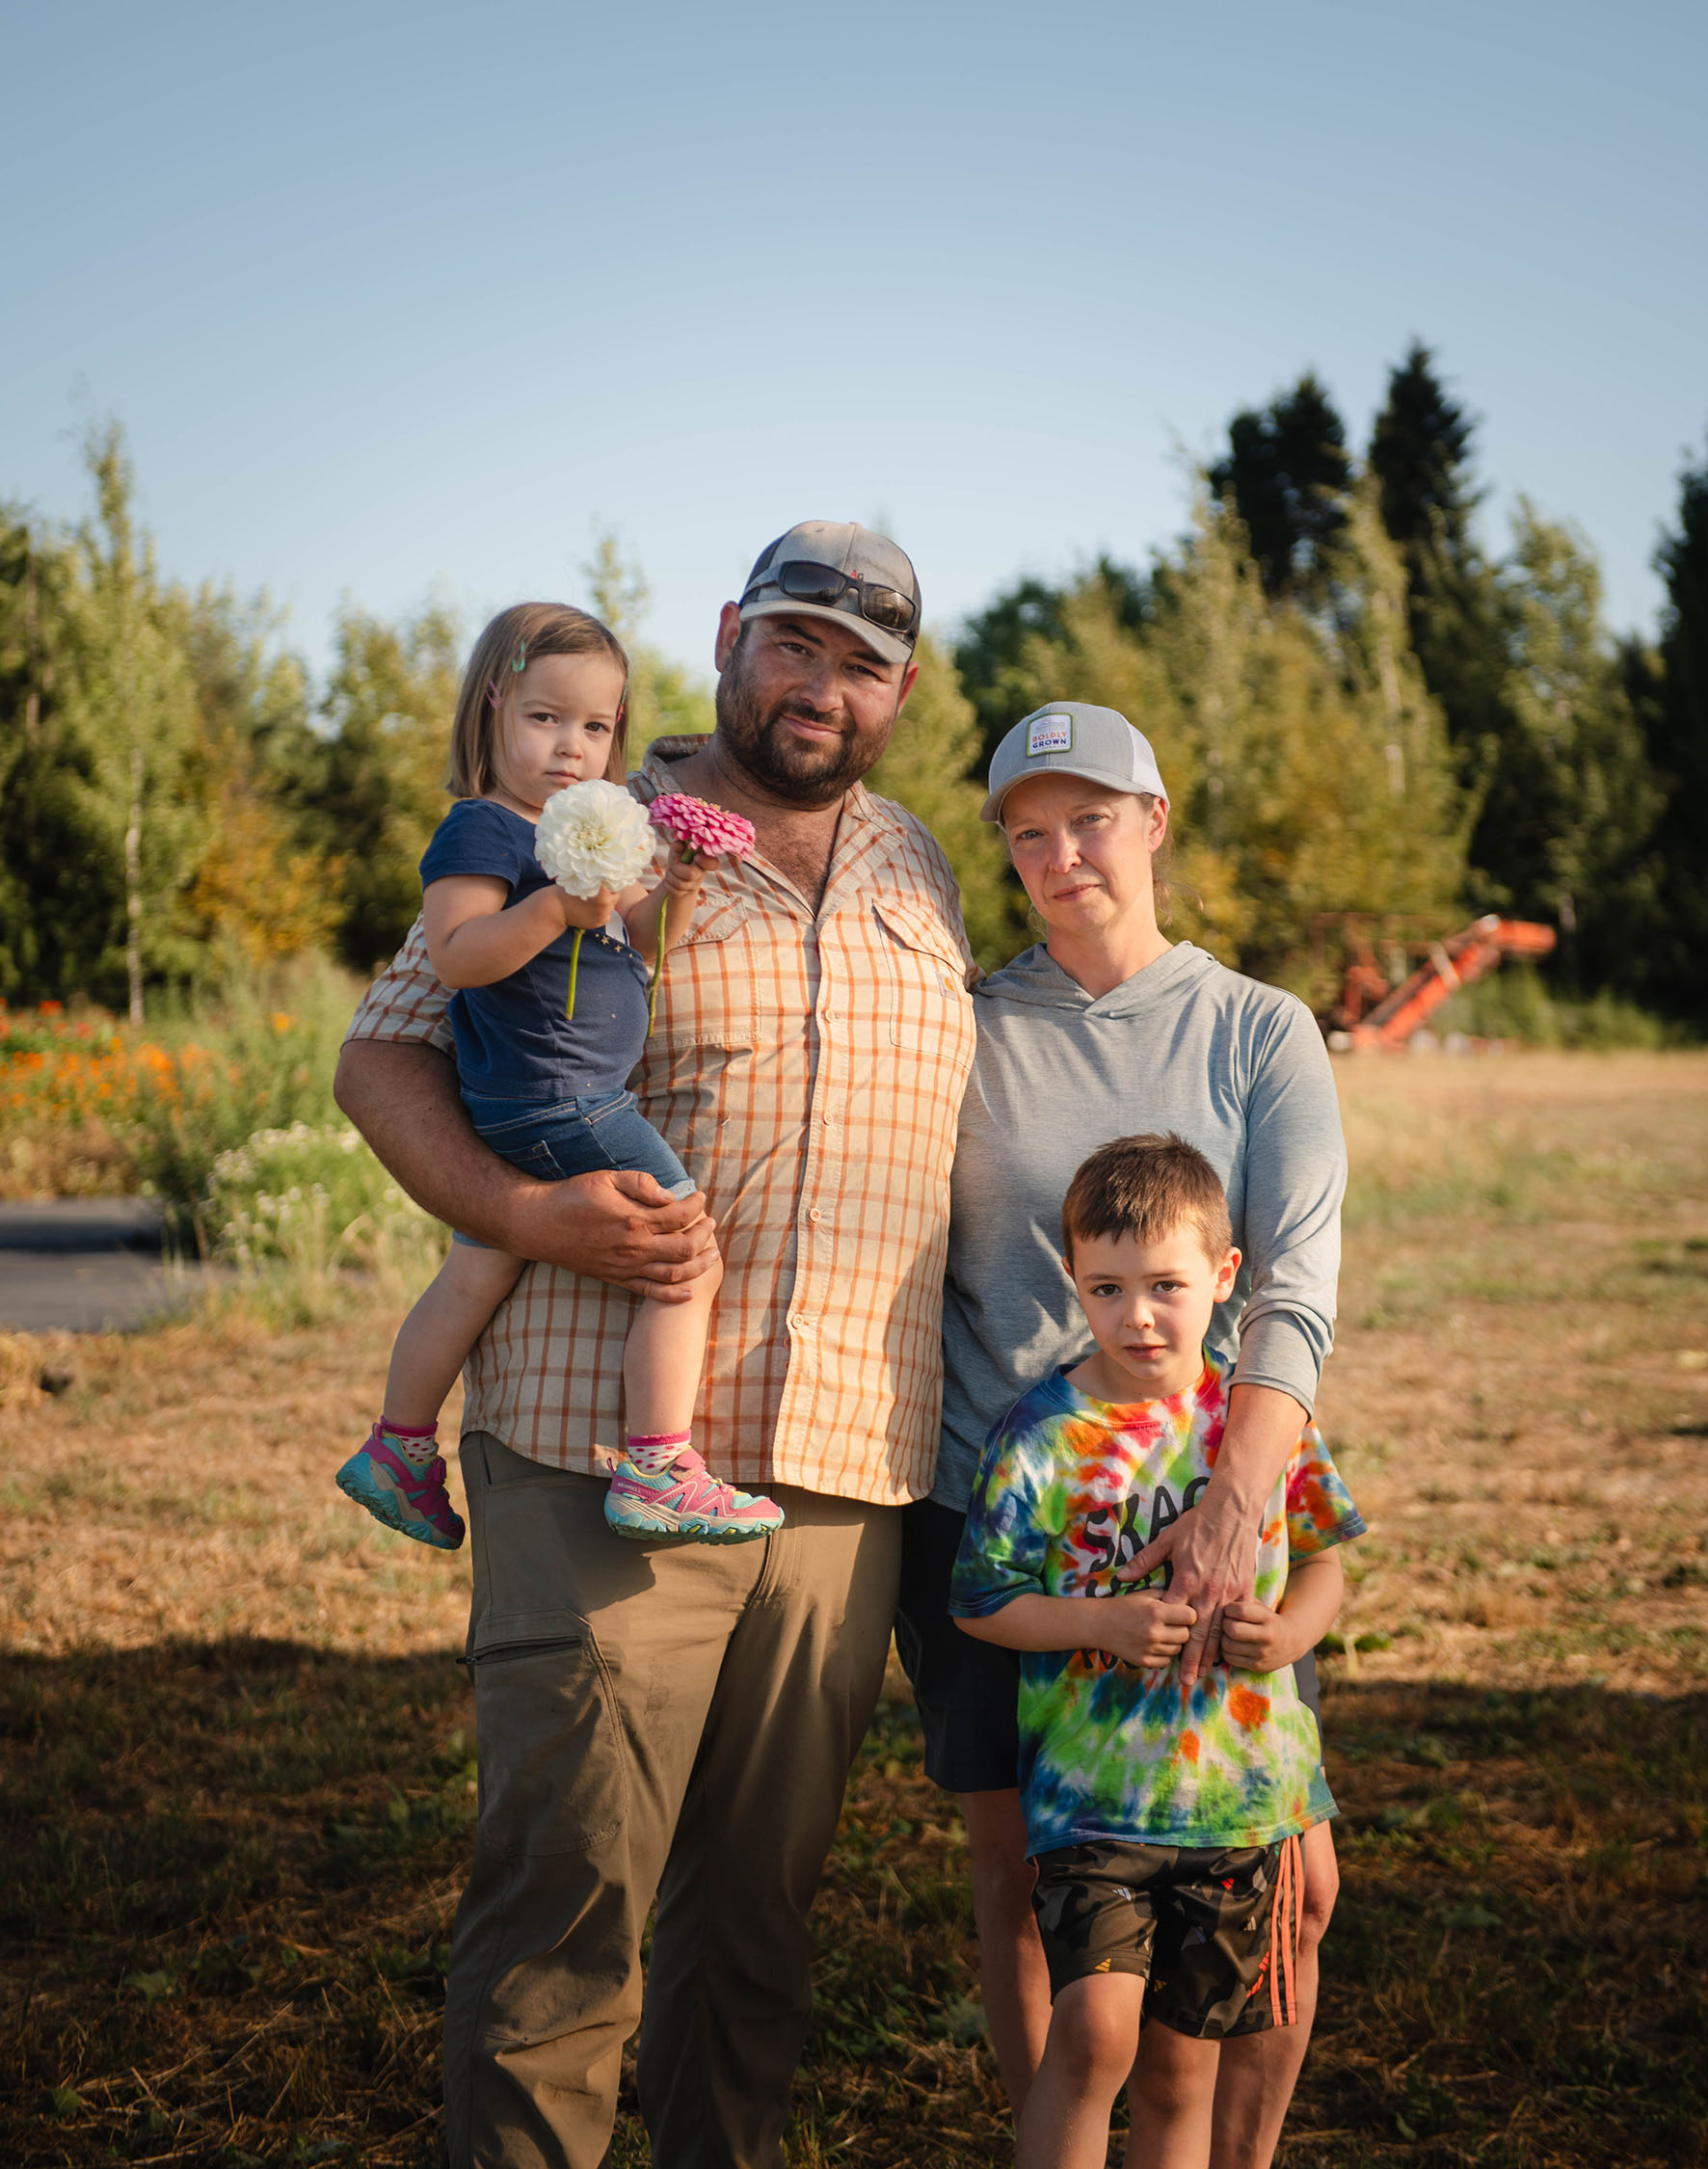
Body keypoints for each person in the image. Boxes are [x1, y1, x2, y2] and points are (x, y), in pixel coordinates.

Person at [334, 522, 977, 2168]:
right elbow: (387, 1059)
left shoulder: (922, 867)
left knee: (755, 1945)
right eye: (793, 645)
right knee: (568, 1924)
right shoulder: (592, 823)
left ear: (901, 689)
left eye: (862, 663)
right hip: (589, 1459)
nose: (820, 687)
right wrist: (527, 1215)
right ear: (728, 637)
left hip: (840, 1483)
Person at [898, 701, 1348, 2162]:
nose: (1059, 851)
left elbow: (1296, 1283)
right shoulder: (963, 1023)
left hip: (1207, 1502)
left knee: (1284, 1871)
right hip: (1004, 1505)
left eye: (1090, 817)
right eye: (1028, 830)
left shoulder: (1257, 1029)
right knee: (1029, 1868)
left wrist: (1232, 1505)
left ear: (1153, 822)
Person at [951, 1134, 1364, 2169]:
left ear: (1225, 1279)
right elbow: (981, 1601)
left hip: (1238, 1804)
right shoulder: (1044, 1435)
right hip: (1093, 1801)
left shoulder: (1255, 1423)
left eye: (1166, 1285)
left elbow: (1324, 1561)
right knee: (1093, 2037)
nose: (1137, 1313)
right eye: (1107, 1287)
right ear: (1071, 1283)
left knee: (1183, 2069)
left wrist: (1289, 1636)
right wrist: (1098, 1622)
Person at [335, 600, 781, 1551]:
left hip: (535, 1098)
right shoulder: (486, 829)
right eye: (545, 718)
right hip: (561, 1096)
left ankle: (397, 1448)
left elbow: (639, 952)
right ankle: (658, 1465)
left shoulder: (591, 833)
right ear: (494, 707)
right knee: (686, 1255)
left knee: (476, 1269)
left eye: (595, 726)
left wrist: (679, 881)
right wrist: (554, 915)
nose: (570, 747)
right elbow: (457, 954)